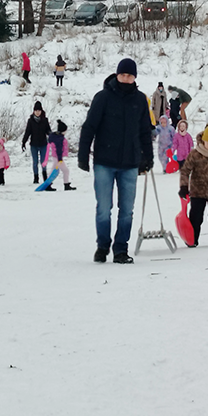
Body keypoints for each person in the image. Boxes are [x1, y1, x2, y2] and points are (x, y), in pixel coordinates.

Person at [78, 58, 153, 264]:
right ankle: (102, 247)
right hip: (104, 162)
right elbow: (89, 127)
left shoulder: (140, 100)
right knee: (104, 208)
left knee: (127, 210)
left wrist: (147, 157)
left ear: (134, 77)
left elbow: (145, 131)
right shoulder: (103, 98)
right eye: (123, 75)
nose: (126, 78)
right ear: (117, 75)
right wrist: (83, 154)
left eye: (129, 75)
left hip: (129, 163)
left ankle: (121, 249)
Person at [22, 101, 51, 184]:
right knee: (35, 162)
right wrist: (24, 142)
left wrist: (51, 136)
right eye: (36, 110)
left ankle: (45, 177)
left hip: (43, 144)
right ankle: (36, 177)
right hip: (34, 144)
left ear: (41, 111)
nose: (37, 112)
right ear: (33, 111)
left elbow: (48, 130)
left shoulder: (45, 120)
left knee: (43, 162)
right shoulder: (30, 121)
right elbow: (28, 132)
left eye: (39, 110)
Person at [42, 120, 75, 192]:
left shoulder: (55, 136)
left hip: (55, 157)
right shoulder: (59, 139)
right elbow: (59, 150)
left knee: (53, 170)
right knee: (66, 171)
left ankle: (48, 184)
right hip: (57, 158)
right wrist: (60, 159)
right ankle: (66, 185)